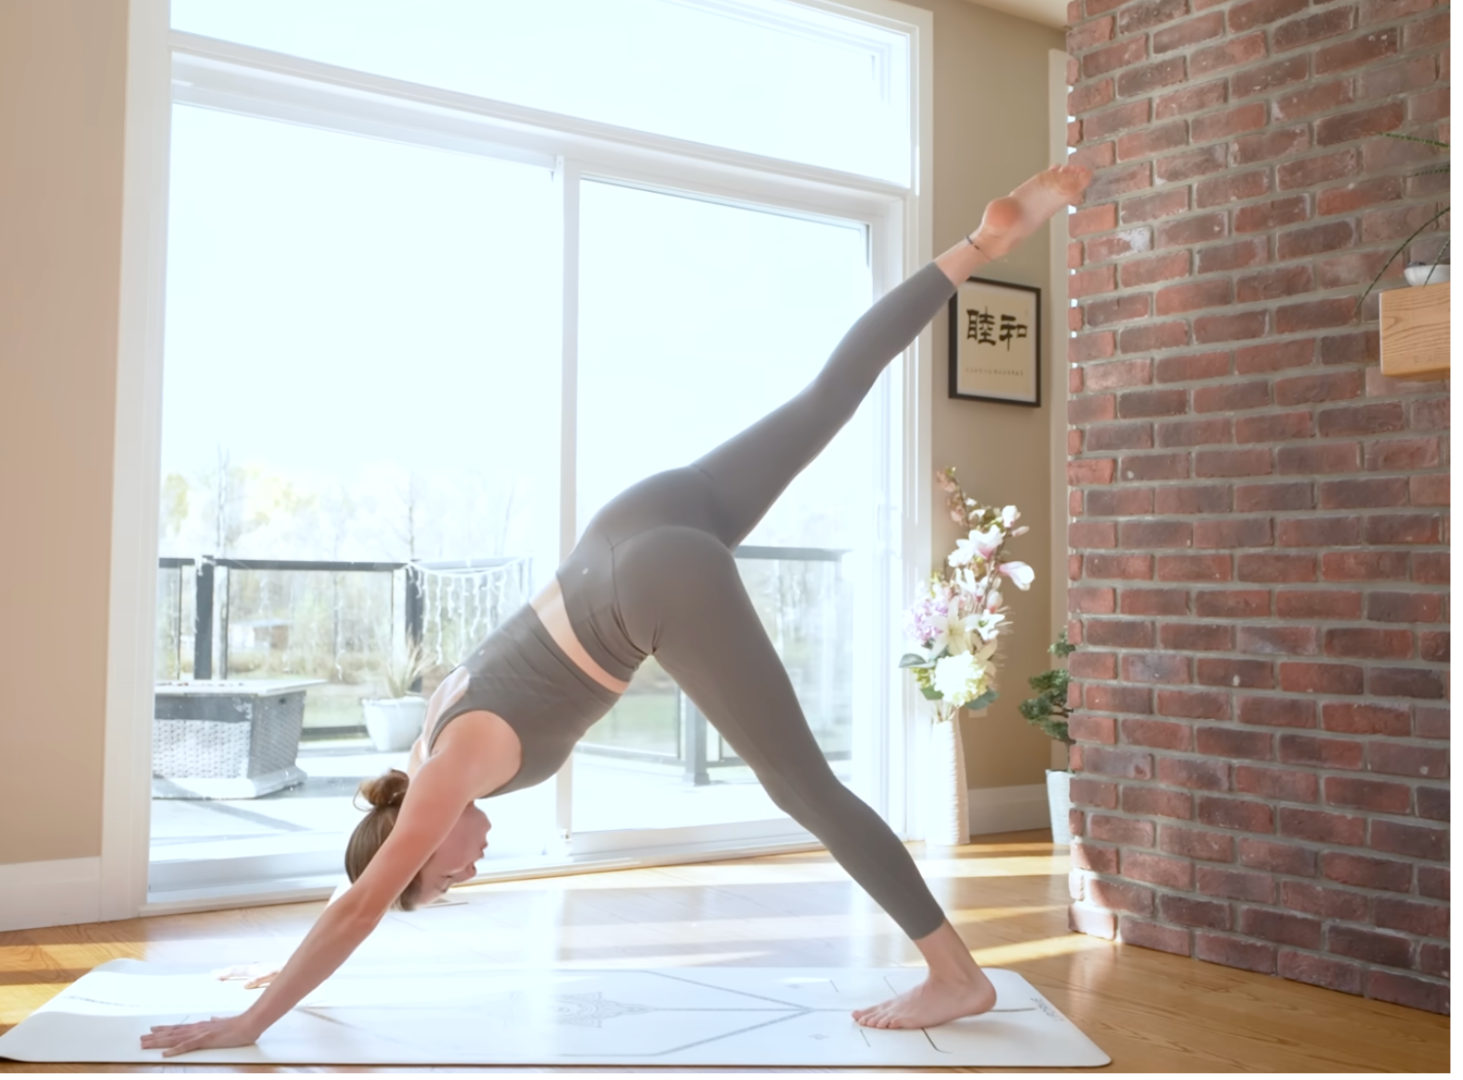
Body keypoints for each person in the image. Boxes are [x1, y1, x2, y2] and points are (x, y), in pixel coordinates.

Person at [143, 162, 1093, 1057]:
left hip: (649, 586)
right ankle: (976, 245)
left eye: (441, 872)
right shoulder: (437, 721)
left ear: (413, 840)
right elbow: (356, 903)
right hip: (633, 520)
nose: (466, 869)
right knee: (824, 399)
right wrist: (291, 963)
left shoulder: (448, 779)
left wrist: (252, 1020)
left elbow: (358, 908)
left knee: (804, 790)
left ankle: (956, 974)